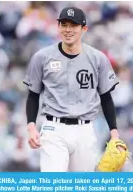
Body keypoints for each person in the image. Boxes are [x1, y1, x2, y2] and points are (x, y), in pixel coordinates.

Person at [23, 7, 120, 172]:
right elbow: (33, 96)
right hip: (54, 128)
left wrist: (114, 134)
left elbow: (106, 98)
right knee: (53, 184)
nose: (68, 29)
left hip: (85, 129)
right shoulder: (42, 57)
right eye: (64, 24)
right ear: (58, 26)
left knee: (82, 185)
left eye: (73, 25)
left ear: (84, 29)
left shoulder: (98, 59)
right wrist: (31, 127)